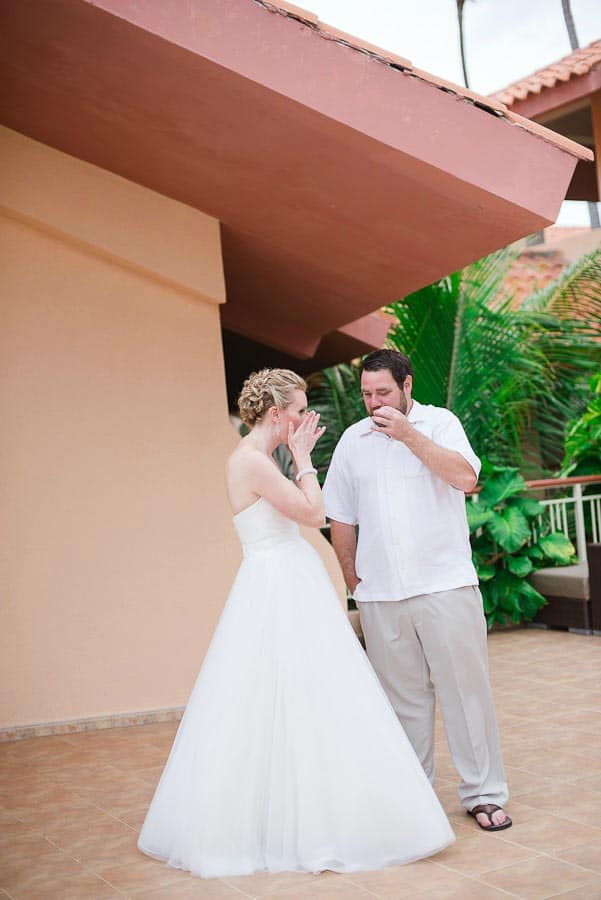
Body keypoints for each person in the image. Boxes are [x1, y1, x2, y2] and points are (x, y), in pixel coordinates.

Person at [138, 368, 454, 879]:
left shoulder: (258, 460)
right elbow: (314, 513)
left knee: (308, 697)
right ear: (273, 413)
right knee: (289, 697)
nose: (306, 419)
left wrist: (297, 458)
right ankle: (303, 823)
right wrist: (306, 460)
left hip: (284, 582)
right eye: (299, 410)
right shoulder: (253, 463)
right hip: (277, 588)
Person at [323, 349, 511, 833]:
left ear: (406, 386)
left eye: (382, 392)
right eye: (366, 394)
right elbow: (341, 514)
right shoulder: (352, 441)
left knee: (465, 694)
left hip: (444, 585)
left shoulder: (441, 423)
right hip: (381, 595)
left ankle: (484, 795)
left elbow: (466, 478)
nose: (373, 402)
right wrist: (350, 575)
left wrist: (408, 436)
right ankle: (413, 795)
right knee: (401, 700)